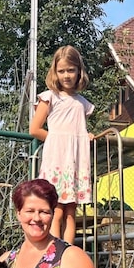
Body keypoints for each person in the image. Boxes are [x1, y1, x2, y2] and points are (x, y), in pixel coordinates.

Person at [29, 45, 95, 244]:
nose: (66, 75)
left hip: (75, 163)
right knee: (56, 211)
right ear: (55, 72)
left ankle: (68, 251)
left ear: (78, 71)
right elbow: (35, 129)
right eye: (62, 71)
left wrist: (85, 136)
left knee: (71, 213)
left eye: (71, 70)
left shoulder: (82, 103)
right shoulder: (49, 97)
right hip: (57, 161)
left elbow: (77, 130)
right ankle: (54, 254)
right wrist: (59, 140)